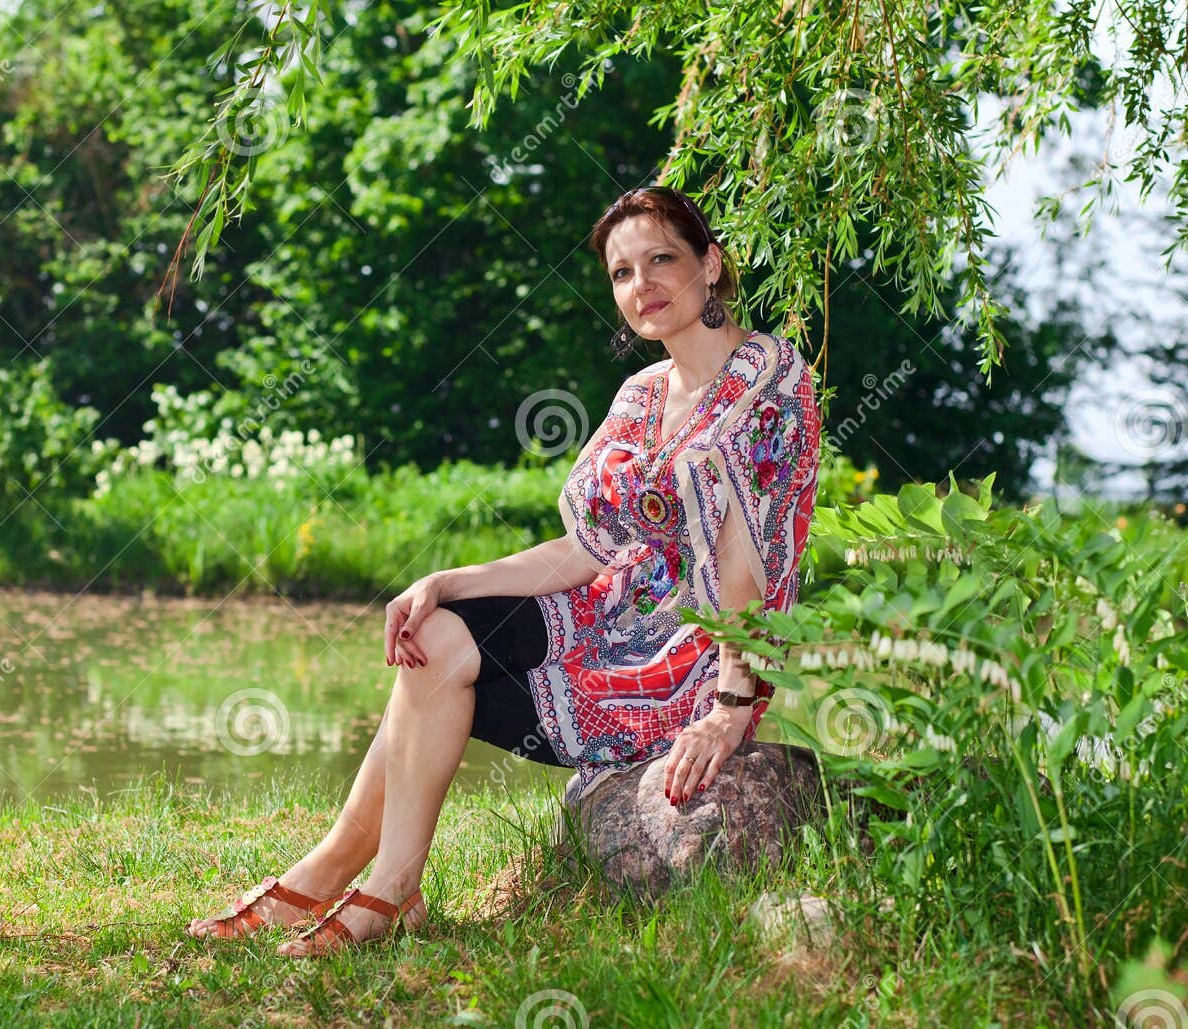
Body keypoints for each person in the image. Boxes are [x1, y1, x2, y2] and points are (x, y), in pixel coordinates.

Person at [186, 185, 822, 958]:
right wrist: (448, 581)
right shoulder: (640, 395)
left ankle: (365, 884)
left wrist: (730, 705)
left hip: (689, 660)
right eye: (622, 273)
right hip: (603, 620)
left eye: (662, 260)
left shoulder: (768, 375)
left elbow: (747, 557)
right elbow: (585, 551)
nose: (642, 285)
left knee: (441, 664)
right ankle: (372, 880)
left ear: (710, 264)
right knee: (437, 635)